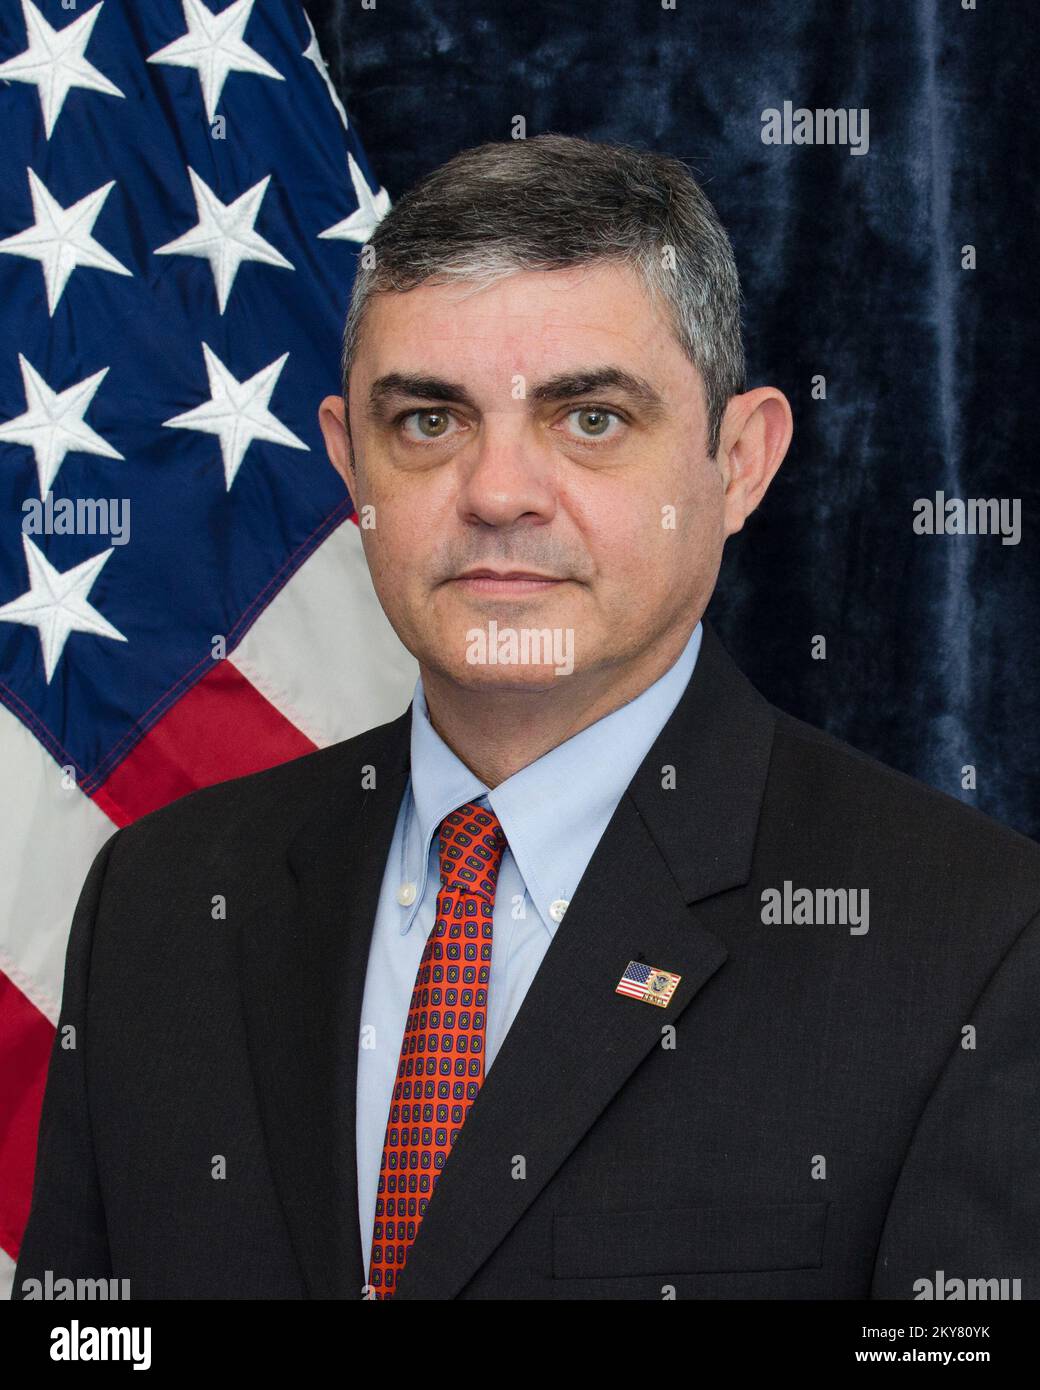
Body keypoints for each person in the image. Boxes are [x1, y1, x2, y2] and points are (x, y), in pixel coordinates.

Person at [15, 135, 1040, 1301]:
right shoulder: (158, 903)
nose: (497, 492)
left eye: (588, 417)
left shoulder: (975, 945)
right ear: (349, 464)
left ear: (737, 462)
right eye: (428, 421)